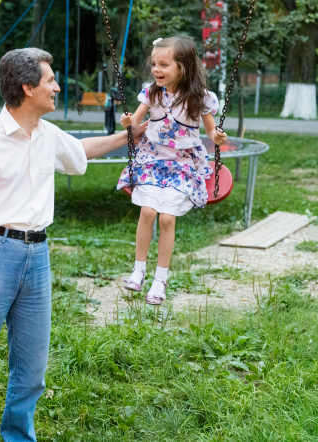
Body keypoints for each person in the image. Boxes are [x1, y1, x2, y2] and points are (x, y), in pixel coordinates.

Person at [0, 48, 147, 442]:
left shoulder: (48, 135)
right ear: (28, 88)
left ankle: (18, 437)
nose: (57, 87)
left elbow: (82, 152)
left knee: (31, 369)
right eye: (50, 81)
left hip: (38, 257)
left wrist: (130, 134)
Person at [118, 35, 227, 305]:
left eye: (164, 64)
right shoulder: (151, 93)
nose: (156, 69)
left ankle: (160, 279)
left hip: (183, 164)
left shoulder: (199, 98)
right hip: (153, 160)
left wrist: (217, 136)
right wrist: (128, 122)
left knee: (167, 219)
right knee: (147, 211)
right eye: (154, 64)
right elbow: (135, 125)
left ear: (183, 67)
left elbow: (211, 130)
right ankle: (138, 270)